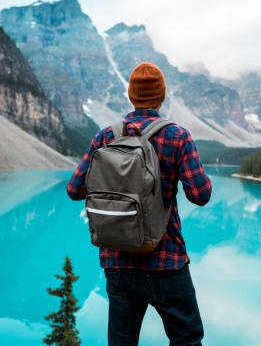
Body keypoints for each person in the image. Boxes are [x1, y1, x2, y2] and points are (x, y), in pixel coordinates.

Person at [67, 62, 212, 346]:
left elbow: (74, 189)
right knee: (187, 338)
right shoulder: (177, 136)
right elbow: (200, 194)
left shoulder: (106, 136)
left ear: (131, 95)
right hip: (166, 259)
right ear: (161, 97)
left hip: (117, 262)